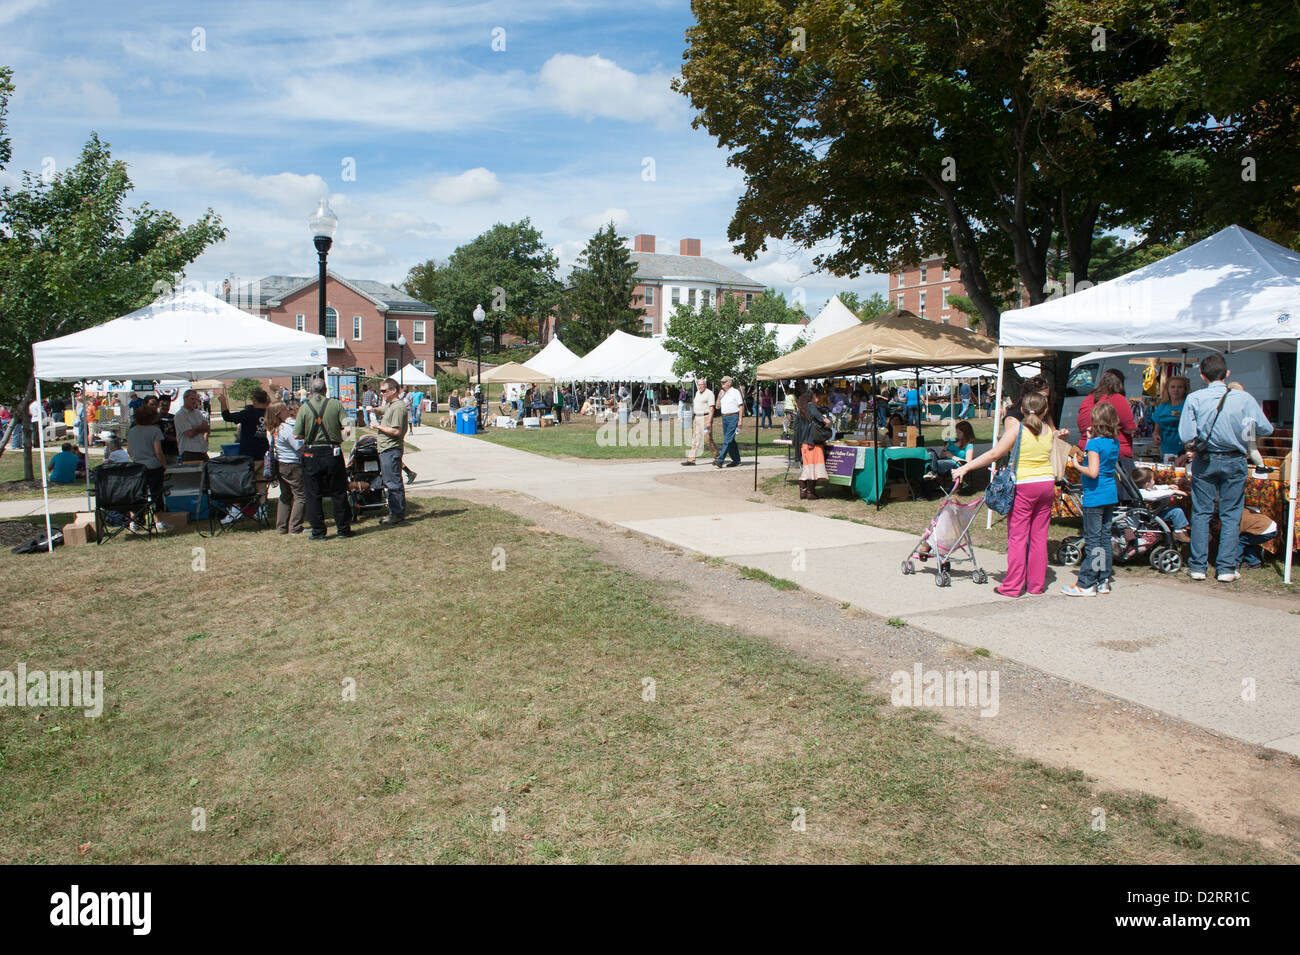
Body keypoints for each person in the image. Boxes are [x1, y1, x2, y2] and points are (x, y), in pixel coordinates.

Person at [953, 392, 1063, 598]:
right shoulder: (1048, 430)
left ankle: (1012, 586)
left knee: (1018, 537)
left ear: (1021, 409)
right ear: (1045, 410)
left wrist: (965, 468)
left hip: (1024, 486)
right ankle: (1036, 585)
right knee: (1039, 537)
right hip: (1046, 484)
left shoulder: (1017, 430)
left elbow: (994, 454)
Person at [1177, 352, 1273, 582]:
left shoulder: (1195, 398)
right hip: (1234, 459)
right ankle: (1226, 568)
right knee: (1231, 514)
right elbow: (1266, 429)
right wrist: (1244, 431)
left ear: (1202, 376)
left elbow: (1186, 435)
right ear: (1227, 373)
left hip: (1205, 459)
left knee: (1201, 512)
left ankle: (1198, 566)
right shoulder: (1245, 398)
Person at [1062, 402, 1121, 596]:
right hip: (1109, 493)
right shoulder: (1114, 442)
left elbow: (1093, 471)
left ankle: (1087, 581)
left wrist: (1077, 465)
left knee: (1093, 539)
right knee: (1104, 537)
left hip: (1095, 496)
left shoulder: (1095, 444)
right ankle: (1103, 579)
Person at [295, 377, 354, 541]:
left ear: (311, 391)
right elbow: (348, 428)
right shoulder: (335, 404)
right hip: (332, 452)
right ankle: (343, 529)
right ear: (326, 390)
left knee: (313, 494)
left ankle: (318, 532)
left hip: (311, 453)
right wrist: (339, 435)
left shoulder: (304, 407)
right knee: (338, 491)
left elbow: (297, 434)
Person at [1077, 369, 1136, 476]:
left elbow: (1082, 426)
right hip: (1113, 457)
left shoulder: (1088, 399)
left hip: (1086, 451)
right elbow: (1130, 427)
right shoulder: (1117, 398)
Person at [264, 401, 305, 535]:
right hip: (292, 464)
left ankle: (281, 527)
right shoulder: (285, 428)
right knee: (300, 496)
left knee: (285, 495)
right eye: (284, 409)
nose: (288, 410)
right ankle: (295, 527)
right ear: (278, 413)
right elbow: (298, 446)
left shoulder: (271, 429)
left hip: (280, 463)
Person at [372, 378, 408, 526]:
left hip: (391, 449)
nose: (381, 394)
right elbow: (383, 410)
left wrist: (378, 427)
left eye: (384, 391)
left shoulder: (398, 407)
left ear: (393, 390)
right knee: (390, 481)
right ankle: (396, 511)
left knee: (393, 483)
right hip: (387, 450)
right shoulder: (392, 405)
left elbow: (396, 431)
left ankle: (397, 514)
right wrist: (372, 410)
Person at [127, 405, 168, 528]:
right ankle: (159, 521)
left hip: (137, 467)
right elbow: (158, 452)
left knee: (139, 493)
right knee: (156, 493)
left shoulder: (132, 431)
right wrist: (164, 464)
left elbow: (129, 450)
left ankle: (136, 520)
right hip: (153, 466)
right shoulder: (155, 430)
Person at [1130, 467, 1191, 545]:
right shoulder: (1144, 493)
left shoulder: (1143, 489)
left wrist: (1168, 487)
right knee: (1177, 511)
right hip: (1151, 517)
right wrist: (1172, 491)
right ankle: (1178, 533)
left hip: (1152, 513)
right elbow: (1155, 494)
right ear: (1147, 484)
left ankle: (1184, 530)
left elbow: (1155, 488)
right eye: (1153, 480)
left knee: (1182, 508)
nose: (1154, 481)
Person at [795, 389, 831, 499]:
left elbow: (797, 427)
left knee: (807, 467)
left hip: (804, 443)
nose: (819, 399)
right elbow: (825, 421)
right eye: (818, 397)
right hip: (814, 442)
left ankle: (803, 491)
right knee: (814, 468)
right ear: (814, 396)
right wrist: (827, 423)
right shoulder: (812, 407)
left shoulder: (801, 409)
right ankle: (810, 492)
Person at [1226, 382, 1267, 468]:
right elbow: (1252, 449)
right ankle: (1261, 466)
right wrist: (1260, 465)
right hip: (1236, 459)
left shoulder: (1219, 410)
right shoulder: (1247, 418)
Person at [1150, 375, 1189, 461]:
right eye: (1172, 387)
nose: (1176, 390)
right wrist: (1156, 436)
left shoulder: (1188, 406)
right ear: (1167, 389)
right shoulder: (1162, 407)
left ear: (1185, 389)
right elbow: (1156, 431)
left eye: (1180, 387)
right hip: (1165, 450)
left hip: (1184, 451)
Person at [712, 376, 744, 468]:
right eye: (721, 382)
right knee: (731, 440)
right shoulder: (722, 393)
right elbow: (717, 407)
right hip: (724, 418)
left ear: (729, 383)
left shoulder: (735, 392)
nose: (722, 384)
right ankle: (737, 460)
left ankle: (720, 460)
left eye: (724, 382)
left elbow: (741, 406)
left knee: (727, 439)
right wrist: (719, 396)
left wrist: (740, 420)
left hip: (733, 417)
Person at [173, 388, 212, 462]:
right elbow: (190, 433)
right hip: (189, 453)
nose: (195, 402)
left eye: (196, 399)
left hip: (202, 452)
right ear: (185, 399)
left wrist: (195, 428)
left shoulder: (198, 413)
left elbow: (207, 429)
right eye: (192, 399)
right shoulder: (180, 415)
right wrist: (201, 428)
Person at [683, 378, 715, 466]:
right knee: (695, 438)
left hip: (705, 417)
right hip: (697, 417)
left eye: (701, 384)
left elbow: (712, 408)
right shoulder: (697, 393)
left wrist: (709, 421)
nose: (700, 386)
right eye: (699, 385)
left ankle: (717, 456)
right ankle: (691, 459)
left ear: (705, 385)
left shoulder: (709, 393)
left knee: (707, 439)